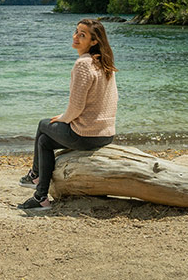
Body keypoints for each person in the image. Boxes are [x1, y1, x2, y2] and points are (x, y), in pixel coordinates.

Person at [17, 18, 118, 211]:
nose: (76, 37)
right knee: (44, 141)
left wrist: (63, 118)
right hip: (106, 134)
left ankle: (35, 175)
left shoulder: (83, 64)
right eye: (76, 32)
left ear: (94, 41)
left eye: (83, 35)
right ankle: (40, 196)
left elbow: (76, 107)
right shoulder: (105, 64)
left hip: (85, 135)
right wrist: (66, 117)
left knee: (43, 124)